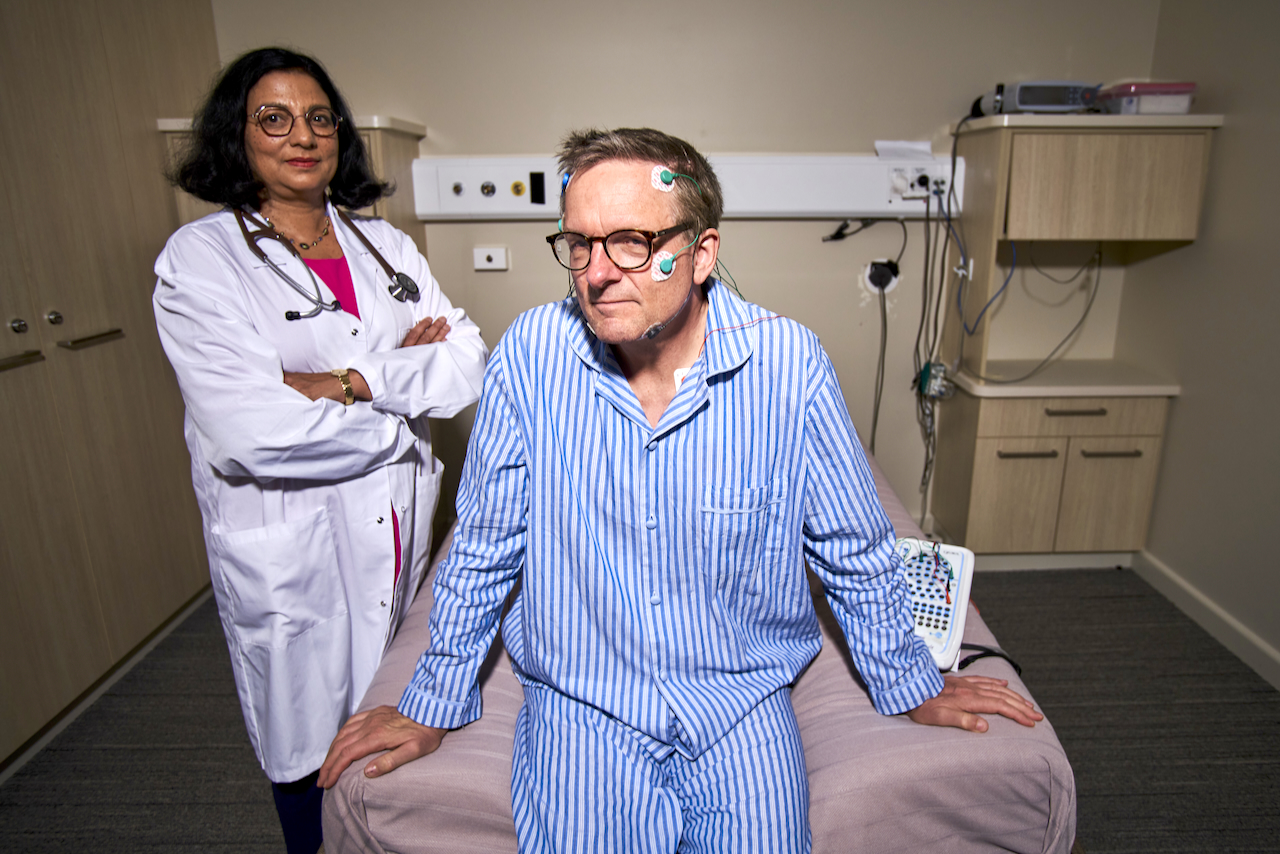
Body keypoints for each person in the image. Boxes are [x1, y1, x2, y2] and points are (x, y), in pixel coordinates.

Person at [318, 127, 1039, 851]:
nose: (597, 272)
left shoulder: (787, 366)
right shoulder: (533, 358)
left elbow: (854, 543)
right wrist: (434, 699)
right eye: (579, 244)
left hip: (739, 695)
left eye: (631, 241)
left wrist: (911, 681)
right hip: (583, 696)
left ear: (702, 255)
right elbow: (482, 546)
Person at [153, 47, 486, 853]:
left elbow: (467, 362)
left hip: (399, 534)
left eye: (319, 117)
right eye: (274, 118)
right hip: (292, 549)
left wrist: (336, 381)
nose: (302, 135)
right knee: (308, 748)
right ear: (238, 136)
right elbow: (253, 432)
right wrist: (400, 394)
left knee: (398, 730)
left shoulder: (386, 248)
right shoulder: (202, 260)